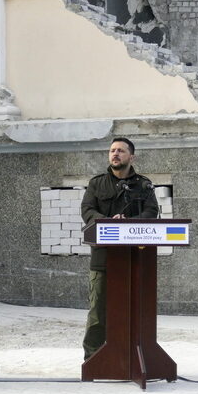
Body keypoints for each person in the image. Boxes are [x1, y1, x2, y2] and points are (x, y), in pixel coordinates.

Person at [80, 137, 158, 360]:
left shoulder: (143, 184)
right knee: (98, 313)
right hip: (103, 259)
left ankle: (133, 356)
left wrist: (129, 222)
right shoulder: (97, 184)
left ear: (131, 157)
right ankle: (93, 359)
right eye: (112, 150)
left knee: (135, 310)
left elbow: (151, 213)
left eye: (121, 151)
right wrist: (108, 222)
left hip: (134, 258)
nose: (115, 154)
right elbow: (87, 211)